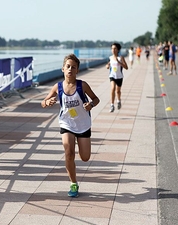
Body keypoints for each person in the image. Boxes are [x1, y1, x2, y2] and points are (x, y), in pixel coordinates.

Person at [41, 54, 100, 197]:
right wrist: (47, 103)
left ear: (77, 71)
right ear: (63, 69)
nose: (70, 69)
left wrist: (90, 104)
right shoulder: (58, 87)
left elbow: (96, 99)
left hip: (83, 124)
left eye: (74, 67)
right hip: (66, 123)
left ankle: (80, 150)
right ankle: (73, 184)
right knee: (69, 152)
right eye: (68, 66)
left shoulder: (82, 85)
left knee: (85, 157)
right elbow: (43, 102)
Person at [106, 43, 128, 112]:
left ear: (118, 50)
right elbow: (108, 65)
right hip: (112, 76)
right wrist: (107, 66)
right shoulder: (110, 58)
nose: (113, 50)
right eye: (112, 48)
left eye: (115, 48)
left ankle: (118, 101)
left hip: (119, 77)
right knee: (112, 88)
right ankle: (112, 105)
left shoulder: (121, 58)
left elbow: (126, 67)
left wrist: (120, 63)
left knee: (118, 91)